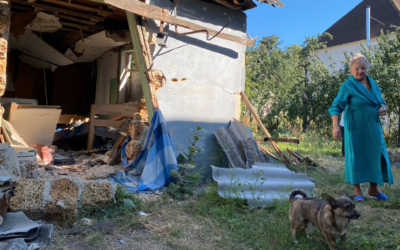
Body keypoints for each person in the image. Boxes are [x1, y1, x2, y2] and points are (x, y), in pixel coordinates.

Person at [329, 53, 394, 202]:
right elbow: (335, 107)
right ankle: (357, 191)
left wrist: (383, 107)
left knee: (378, 156)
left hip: (373, 127)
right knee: (356, 158)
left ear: (367, 69)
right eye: (357, 68)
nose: (360, 71)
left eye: (363, 68)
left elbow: (380, 101)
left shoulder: (373, 83)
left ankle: (373, 189)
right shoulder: (348, 86)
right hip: (355, 129)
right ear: (351, 70)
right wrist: (335, 127)